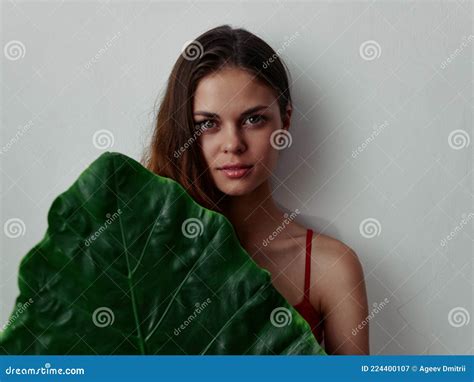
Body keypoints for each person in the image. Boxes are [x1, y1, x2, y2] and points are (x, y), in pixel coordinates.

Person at [143, 24, 369, 355]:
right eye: (208, 124)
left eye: (253, 120)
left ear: (285, 121)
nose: (233, 144)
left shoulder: (330, 267)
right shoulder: (144, 252)